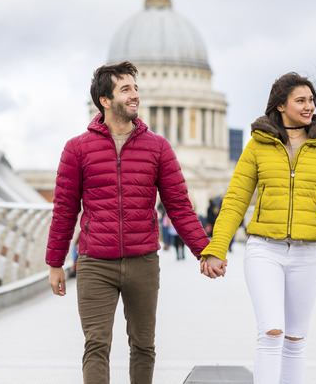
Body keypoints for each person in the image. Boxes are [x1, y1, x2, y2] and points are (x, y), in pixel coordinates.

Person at [46, 61, 221, 384]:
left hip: (143, 261)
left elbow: (180, 208)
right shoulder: (77, 149)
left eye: (136, 88)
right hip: (95, 262)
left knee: (143, 345)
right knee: (96, 345)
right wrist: (56, 262)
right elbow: (64, 210)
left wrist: (204, 251)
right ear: (105, 100)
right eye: (125, 89)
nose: (135, 95)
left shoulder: (158, 148)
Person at [200, 72, 316, 383]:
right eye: (301, 100)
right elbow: (235, 200)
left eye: (311, 100)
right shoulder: (258, 144)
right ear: (281, 105)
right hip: (264, 250)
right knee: (272, 332)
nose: (309, 106)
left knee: (295, 340)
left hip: (308, 254)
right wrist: (217, 248)